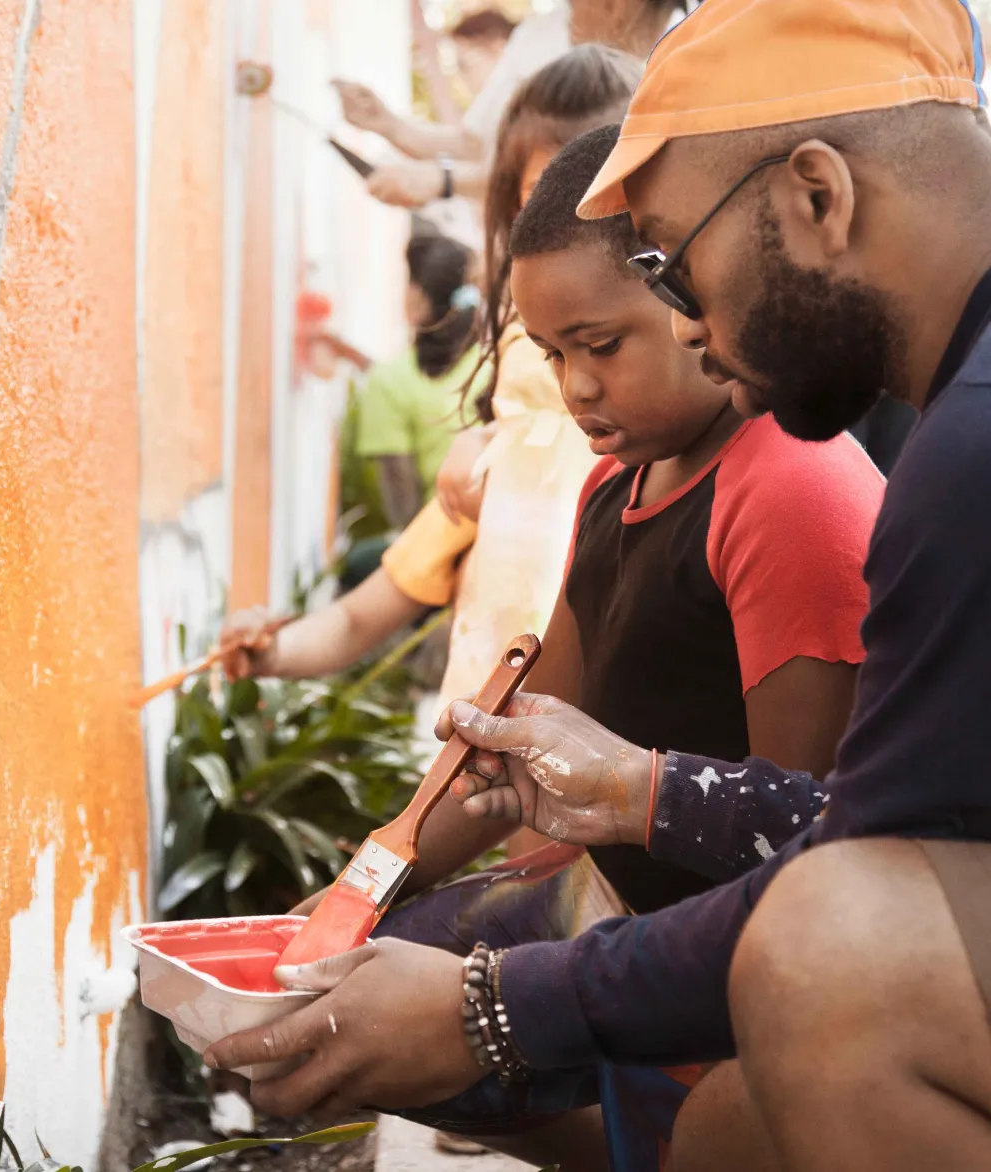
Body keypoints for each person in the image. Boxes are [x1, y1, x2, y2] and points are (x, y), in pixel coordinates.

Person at [208, 3, 991, 1170]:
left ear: (816, 198)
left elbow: (850, 872)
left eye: (671, 269)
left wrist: (488, 1005)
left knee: (825, 957)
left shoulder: (943, 460)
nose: (700, 329)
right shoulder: (941, 437)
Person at [224, 45, 640, 720]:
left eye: (601, 205)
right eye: (537, 205)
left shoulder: (666, 471)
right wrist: (273, 649)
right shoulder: (504, 457)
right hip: (498, 784)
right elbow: (368, 610)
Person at [335, 0, 687, 210]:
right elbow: (479, 142)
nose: (569, 11)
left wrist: (444, 181)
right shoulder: (539, 35)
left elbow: (565, 177)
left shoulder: (675, 70)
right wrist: (391, 126)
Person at [354, 233, 482, 531]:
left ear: (418, 298)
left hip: (439, 540)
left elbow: (403, 507)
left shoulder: (389, 381)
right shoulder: (499, 360)